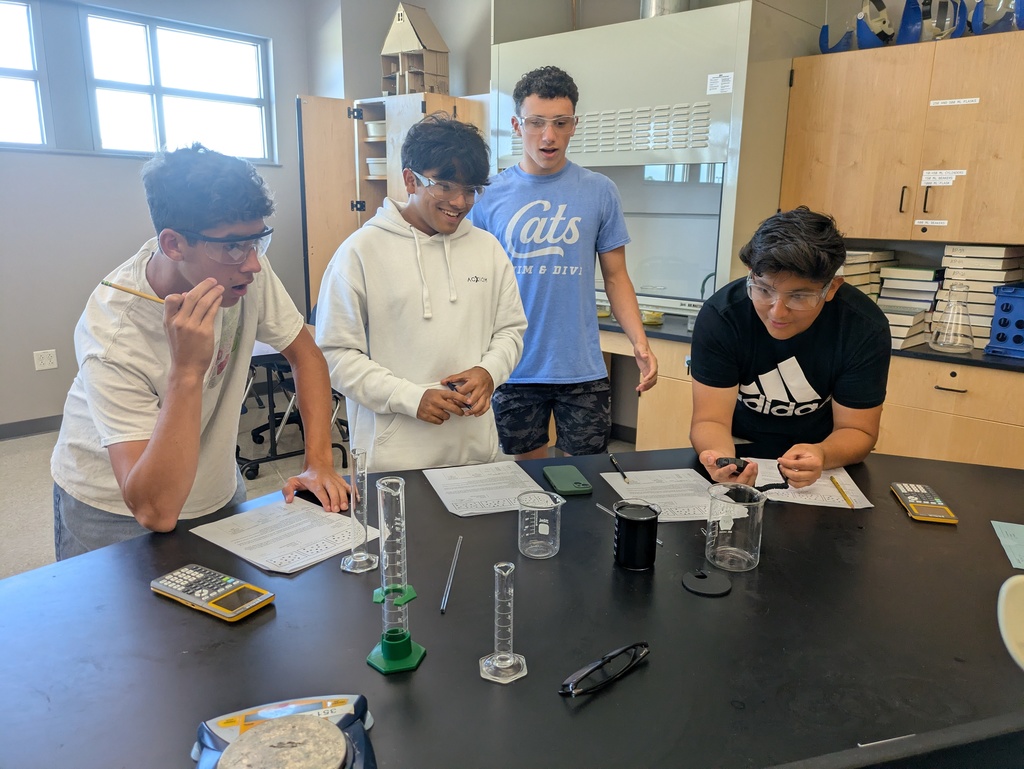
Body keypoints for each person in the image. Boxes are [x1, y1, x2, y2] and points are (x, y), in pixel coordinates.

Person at [51, 143, 349, 560]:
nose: (253, 264)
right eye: (234, 246)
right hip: (116, 509)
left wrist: (319, 462)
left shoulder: (241, 268)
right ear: (174, 244)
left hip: (215, 490)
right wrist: (187, 370)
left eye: (258, 241)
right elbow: (154, 510)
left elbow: (305, 354)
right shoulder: (113, 333)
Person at [315, 114, 527, 473]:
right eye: (444, 186)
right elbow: (336, 355)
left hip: (475, 452)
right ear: (410, 180)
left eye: (471, 189)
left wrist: (489, 371)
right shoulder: (360, 252)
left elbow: (510, 330)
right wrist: (410, 398)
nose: (459, 201)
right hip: (392, 463)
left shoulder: (488, 249)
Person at [470, 65, 658, 461]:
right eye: (536, 122)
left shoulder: (600, 191)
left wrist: (639, 342)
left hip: (581, 368)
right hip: (513, 365)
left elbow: (616, 277)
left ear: (574, 124)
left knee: (586, 480)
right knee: (528, 479)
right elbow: (473, 281)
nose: (548, 135)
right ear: (517, 126)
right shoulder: (488, 196)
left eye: (560, 122)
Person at [689, 206, 891, 488]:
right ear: (751, 274)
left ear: (832, 288)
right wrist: (723, 461)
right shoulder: (722, 317)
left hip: (822, 454)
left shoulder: (863, 328)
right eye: (763, 290)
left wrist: (822, 453)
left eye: (799, 296)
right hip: (738, 443)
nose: (777, 312)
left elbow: (857, 430)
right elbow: (710, 420)